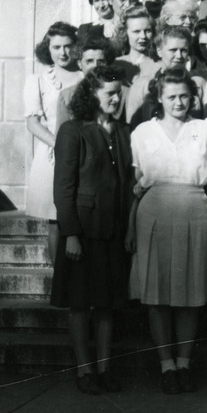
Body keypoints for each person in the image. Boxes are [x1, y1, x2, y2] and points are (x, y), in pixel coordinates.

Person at [128, 66, 207, 394]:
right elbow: (134, 186)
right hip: (153, 212)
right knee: (157, 293)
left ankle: (184, 363)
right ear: (159, 98)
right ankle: (166, 365)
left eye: (184, 96)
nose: (179, 102)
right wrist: (129, 225)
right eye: (171, 96)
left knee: (190, 293)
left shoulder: (205, 128)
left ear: (192, 97)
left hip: (195, 210)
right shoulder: (141, 133)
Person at [51, 64, 133, 395]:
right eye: (109, 93)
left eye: (118, 92)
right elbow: (63, 187)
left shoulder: (124, 132)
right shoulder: (74, 130)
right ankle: (84, 371)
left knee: (107, 305)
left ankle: (104, 369)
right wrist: (70, 233)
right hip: (82, 234)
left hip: (112, 231)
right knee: (80, 305)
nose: (116, 99)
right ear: (92, 94)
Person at [25, 22, 83, 261]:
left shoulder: (84, 76)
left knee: (80, 214)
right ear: (47, 48)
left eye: (68, 46)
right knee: (55, 219)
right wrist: (60, 144)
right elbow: (33, 122)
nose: (63, 52)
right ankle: (59, 280)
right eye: (56, 47)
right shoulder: (38, 80)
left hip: (83, 150)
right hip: (52, 153)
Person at [130, 25, 206, 128]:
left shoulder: (198, 84)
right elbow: (132, 126)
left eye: (183, 50)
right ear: (159, 51)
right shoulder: (143, 85)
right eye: (173, 50)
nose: (179, 56)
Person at [56, 37, 119, 129]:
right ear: (79, 64)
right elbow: (61, 135)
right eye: (89, 61)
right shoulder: (66, 95)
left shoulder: (120, 93)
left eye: (101, 62)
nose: (95, 66)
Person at [114, 6, 160, 122]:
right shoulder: (115, 64)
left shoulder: (160, 65)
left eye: (147, 31)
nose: (143, 37)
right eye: (136, 31)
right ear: (125, 33)